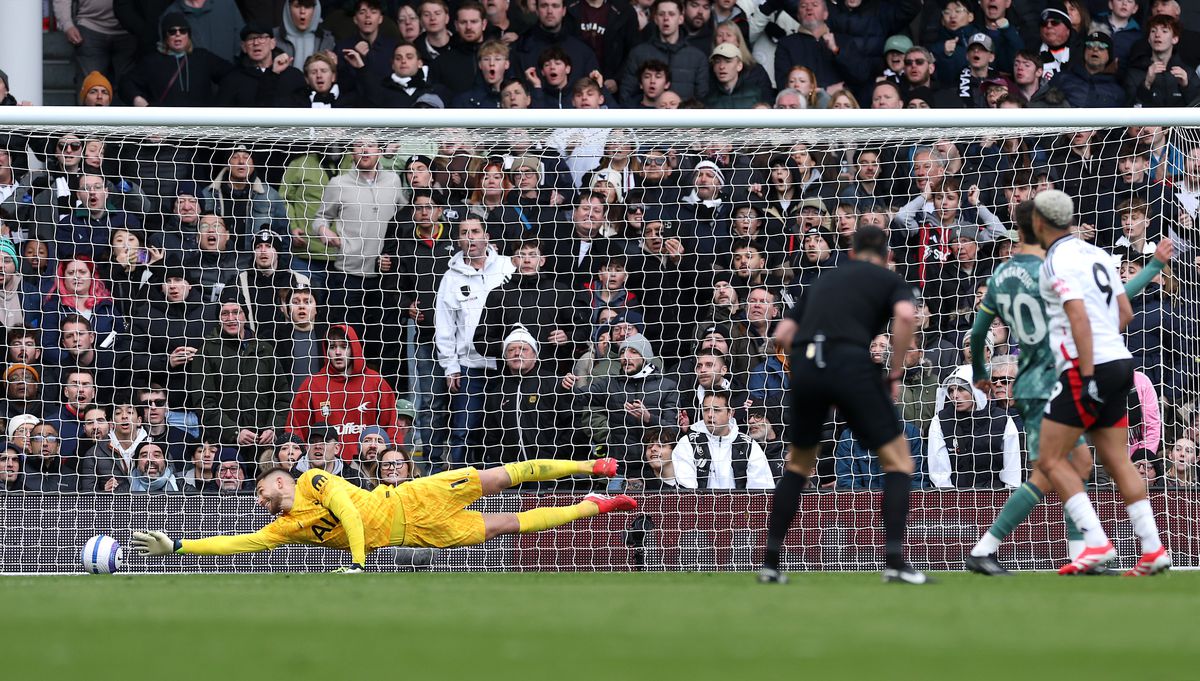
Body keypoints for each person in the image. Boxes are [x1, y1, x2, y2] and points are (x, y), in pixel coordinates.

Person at [758, 225, 928, 585]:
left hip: (807, 368)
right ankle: (896, 562)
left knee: (799, 464)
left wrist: (805, 370)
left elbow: (782, 335)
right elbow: (907, 316)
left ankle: (771, 565)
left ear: (850, 253)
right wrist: (895, 373)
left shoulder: (823, 280)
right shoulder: (885, 277)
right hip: (850, 365)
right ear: (887, 256)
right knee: (898, 460)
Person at [131, 456, 635, 571]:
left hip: (414, 497)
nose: (260, 498)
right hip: (418, 534)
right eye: (259, 496)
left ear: (280, 479)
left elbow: (350, 511)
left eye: (262, 489)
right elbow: (235, 545)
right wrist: (179, 545)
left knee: (501, 477)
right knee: (508, 524)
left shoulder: (313, 481)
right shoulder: (286, 527)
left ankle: (591, 467)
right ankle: (600, 504)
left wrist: (356, 561)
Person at [1030, 189, 1170, 576]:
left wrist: (1087, 371)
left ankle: (1095, 542)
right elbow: (1124, 311)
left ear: (1039, 223)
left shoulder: (1055, 261)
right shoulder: (1098, 255)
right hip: (1121, 362)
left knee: (1049, 457)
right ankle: (1154, 548)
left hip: (1086, 366)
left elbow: (1076, 315)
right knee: (1116, 458)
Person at [670, 390, 773, 490]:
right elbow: (686, 495)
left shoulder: (748, 446)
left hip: (740, 507)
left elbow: (761, 492)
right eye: (706, 410)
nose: (710, 414)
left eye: (716, 410)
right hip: (699, 507)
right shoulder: (687, 443)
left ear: (730, 413)